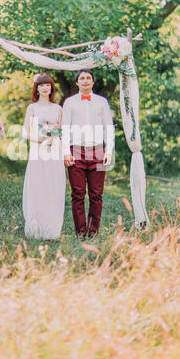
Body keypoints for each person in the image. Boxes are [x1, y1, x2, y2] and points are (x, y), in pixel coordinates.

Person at [62, 69, 115, 240]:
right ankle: (80, 232)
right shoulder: (69, 103)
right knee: (77, 194)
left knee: (96, 193)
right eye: (82, 78)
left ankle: (93, 230)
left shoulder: (102, 102)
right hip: (75, 151)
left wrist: (108, 151)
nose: (85, 81)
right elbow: (65, 129)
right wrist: (65, 152)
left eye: (88, 78)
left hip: (98, 151)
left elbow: (109, 127)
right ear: (77, 83)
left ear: (92, 82)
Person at [22, 73, 66, 240]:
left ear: (52, 88)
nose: (45, 87)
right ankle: (35, 228)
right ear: (37, 88)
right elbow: (25, 132)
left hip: (54, 152)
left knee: (53, 188)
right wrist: (40, 139)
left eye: (48, 85)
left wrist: (54, 140)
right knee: (38, 187)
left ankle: (52, 230)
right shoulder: (32, 108)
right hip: (38, 152)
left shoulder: (58, 109)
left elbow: (60, 132)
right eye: (42, 85)